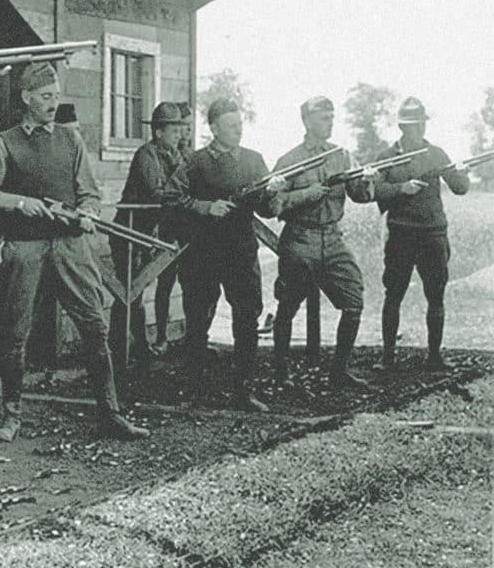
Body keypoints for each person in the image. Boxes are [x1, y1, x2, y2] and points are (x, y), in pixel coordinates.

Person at [0, 62, 149, 443]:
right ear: (26, 98)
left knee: (95, 325)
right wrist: (19, 203)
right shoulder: (5, 142)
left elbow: (90, 193)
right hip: (25, 247)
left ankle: (110, 413)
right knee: (15, 333)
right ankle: (11, 417)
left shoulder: (70, 139)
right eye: (45, 97)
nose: (53, 103)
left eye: (56, 96)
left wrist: (89, 213)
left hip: (70, 246)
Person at [171, 98, 285, 412]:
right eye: (232, 126)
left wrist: (273, 192)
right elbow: (171, 197)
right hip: (202, 253)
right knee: (197, 320)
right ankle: (194, 390)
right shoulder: (194, 163)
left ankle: (243, 391)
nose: (238, 130)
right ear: (214, 128)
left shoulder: (253, 160)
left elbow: (268, 209)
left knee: (247, 320)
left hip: (241, 251)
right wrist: (206, 207)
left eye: (240, 125)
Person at [270, 97, 376, 389]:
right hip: (300, 239)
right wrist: (307, 193)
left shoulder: (341, 155)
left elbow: (361, 195)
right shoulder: (290, 161)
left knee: (353, 300)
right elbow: (273, 205)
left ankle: (339, 372)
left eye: (331, 117)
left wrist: (366, 180)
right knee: (288, 306)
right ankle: (282, 373)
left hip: (332, 238)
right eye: (322, 118)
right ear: (306, 121)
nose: (329, 122)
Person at [371, 97, 470, 370]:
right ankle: (387, 358)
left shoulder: (436, 154)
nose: (418, 129)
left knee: (436, 295)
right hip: (401, 234)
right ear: (402, 126)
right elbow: (372, 192)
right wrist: (402, 188)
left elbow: (460, 187)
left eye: (421, 124)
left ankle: (435, 356)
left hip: (433, 234)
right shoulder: (387, 157)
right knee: (394, 295)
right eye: (413, 125)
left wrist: (463, 173)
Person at [108, 102, 186, 379]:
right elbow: (158, 193)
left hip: (149, 234)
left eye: (181, 129)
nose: (179, 135)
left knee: (135, 292)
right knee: (128, 292)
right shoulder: (147, 155)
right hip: (128, 232)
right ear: (159, 131)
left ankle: (137, 350)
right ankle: (122, 352)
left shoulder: (175, 154)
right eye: (174, 130)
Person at [152, 103, 194, 354]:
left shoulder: (187, 155)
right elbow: (160, 193)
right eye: (179, 129)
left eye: (186, 128)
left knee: (191, 283)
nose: (183, 134)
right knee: (163, 283)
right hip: (163, 227)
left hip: (186, 228)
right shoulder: (156, 154)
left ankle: (193, 336)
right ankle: (160, 338)